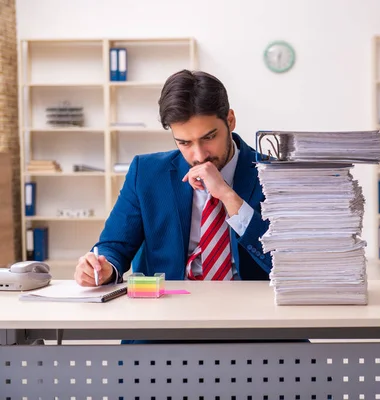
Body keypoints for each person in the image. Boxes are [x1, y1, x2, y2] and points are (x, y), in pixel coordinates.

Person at [74, 70, 272, 286]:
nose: (199, 155)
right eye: (185, 143)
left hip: (249, 310)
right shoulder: (147, 173)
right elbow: (114, 246)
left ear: (230, 121)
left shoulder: (274, 173)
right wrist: (104, 268)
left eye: (209, 137)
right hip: (168, 309)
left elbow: (288, 260)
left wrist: (228, 196)